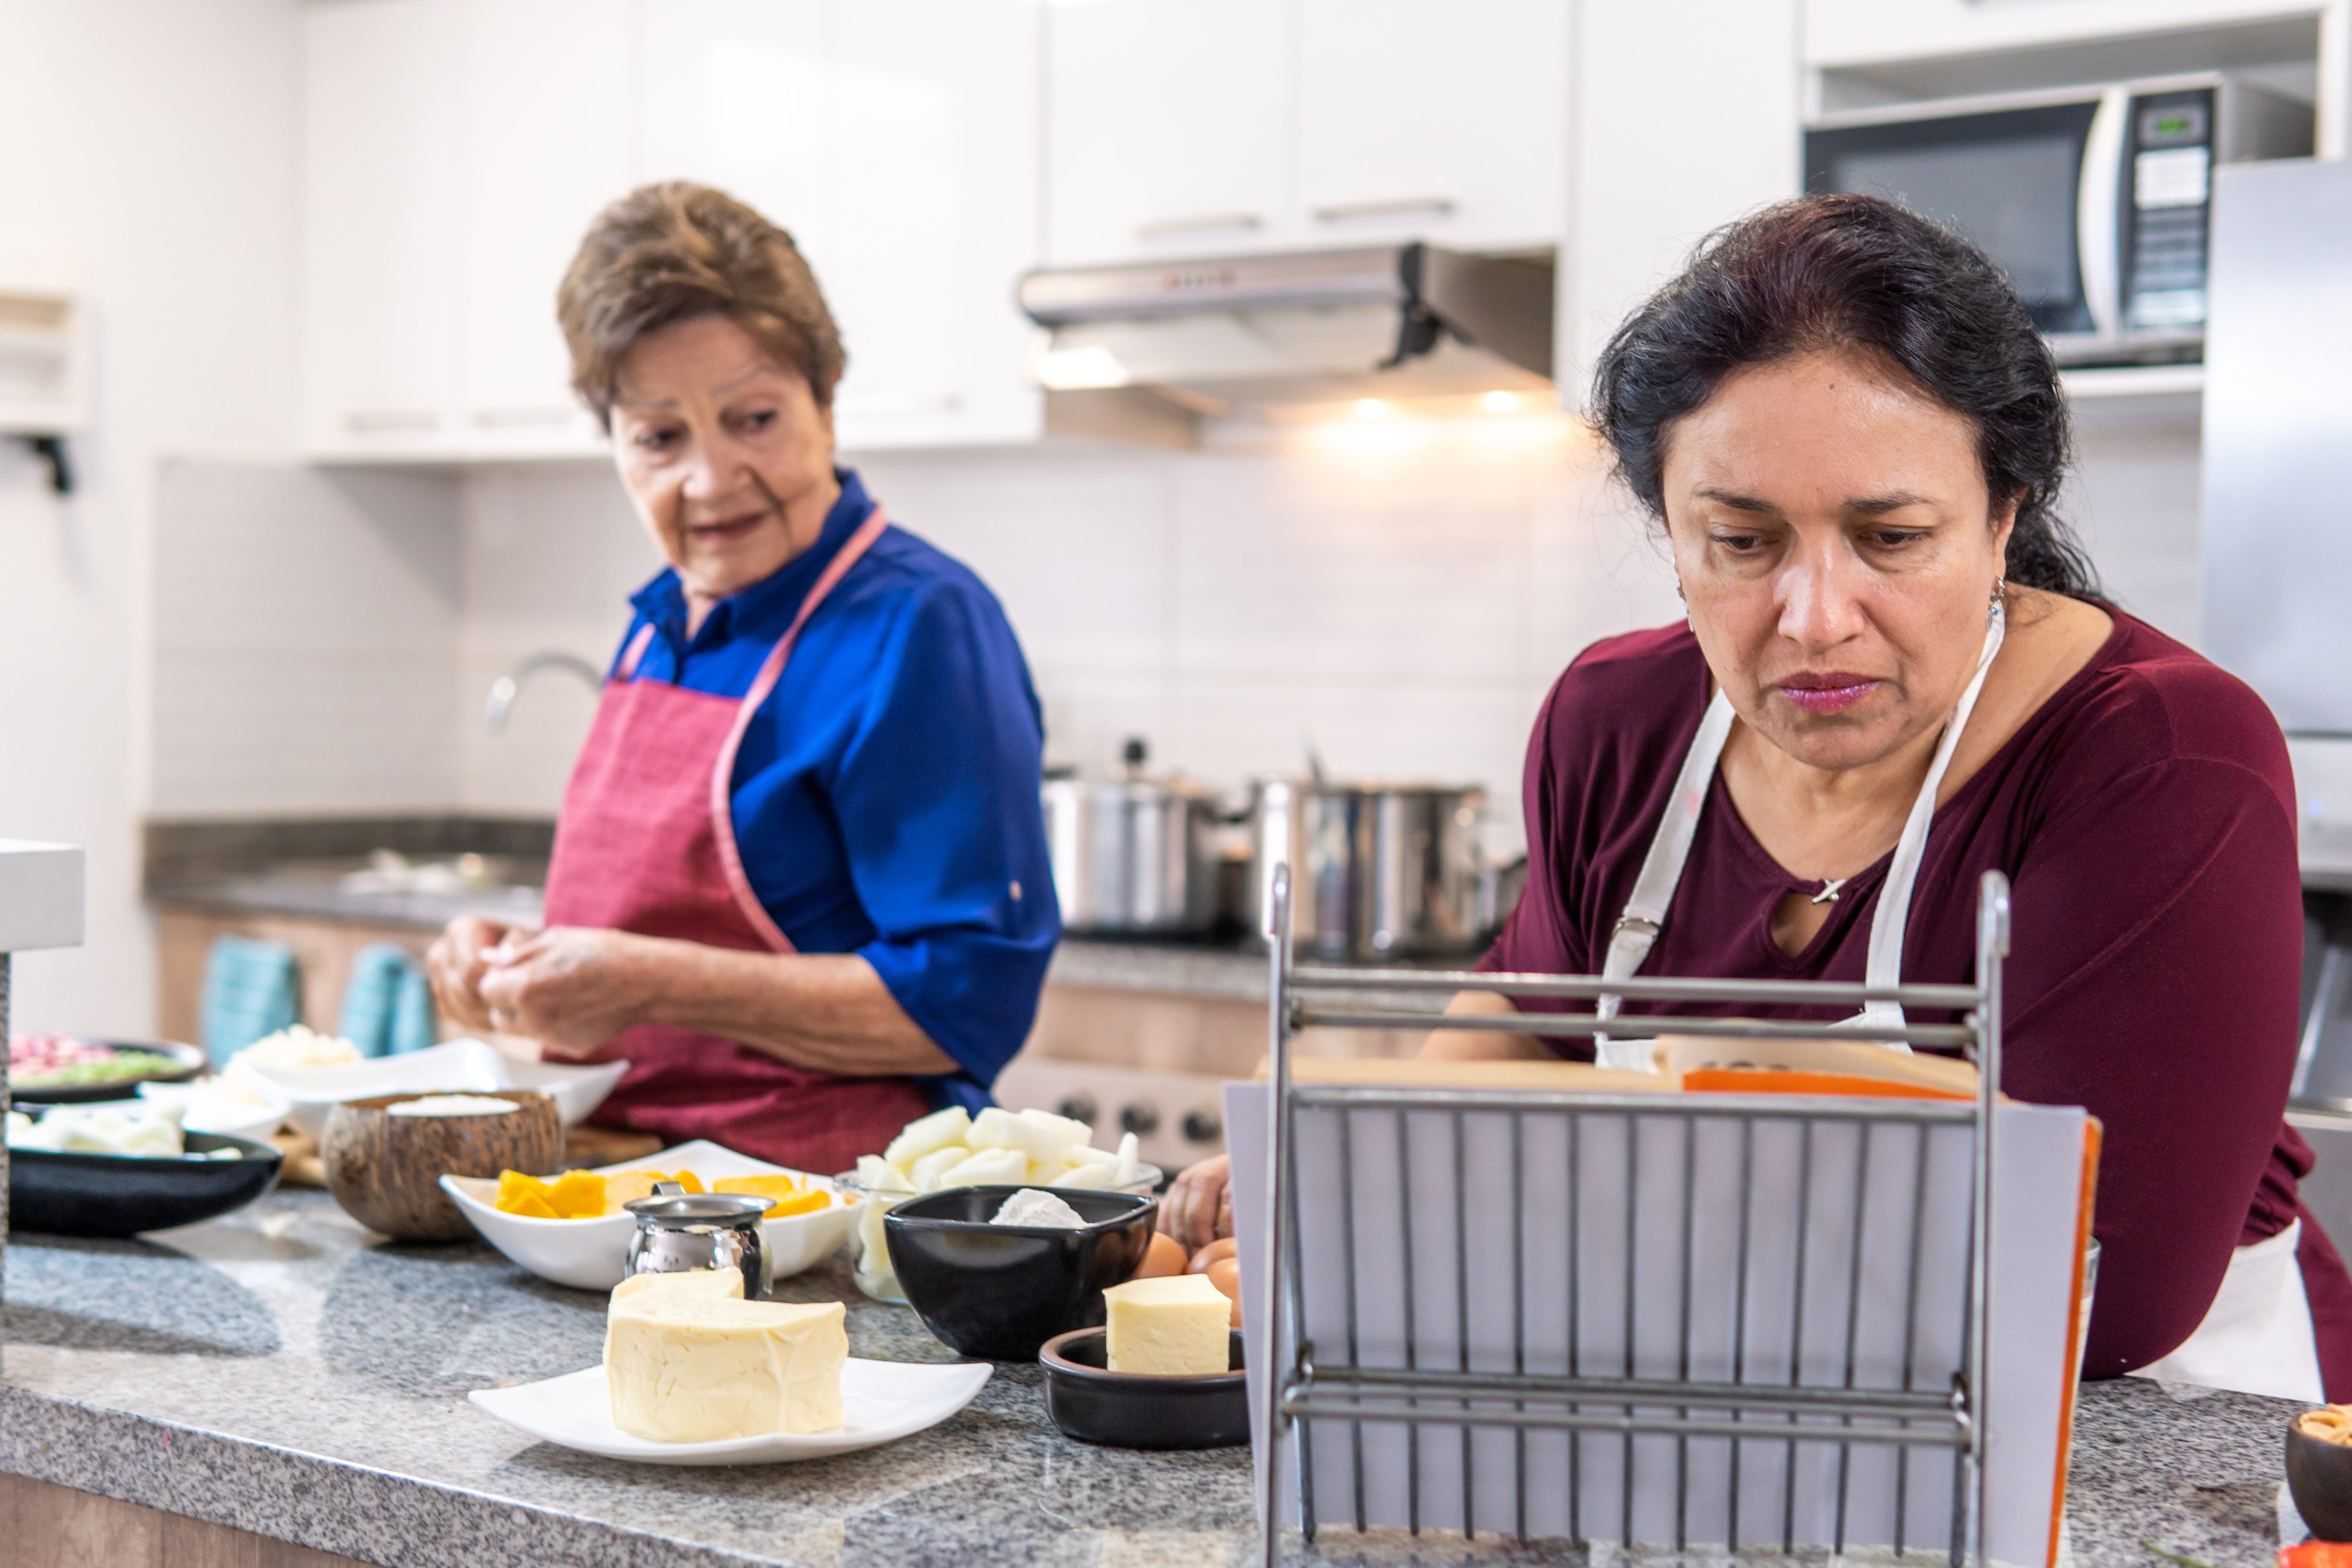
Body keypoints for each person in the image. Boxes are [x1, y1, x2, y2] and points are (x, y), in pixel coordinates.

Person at [1163, 195, 2349, 1403]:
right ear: (1668, 532)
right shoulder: (1614, 721)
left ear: (2001, 519)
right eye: (1740, 539)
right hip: (1723, 1430)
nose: (1815, 615)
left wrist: (1477, 1248)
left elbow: (2096, 1292)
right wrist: (1326, 1176)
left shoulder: (2158, 760)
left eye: (1889, 538)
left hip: (2157, 1458)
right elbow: (1512, 1038)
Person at [426, 183, 1058, 1176]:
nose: (712, 481)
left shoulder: (919, 625)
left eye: (753, 417)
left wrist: (651, 982)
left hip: (815, 1214)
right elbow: (640, 933)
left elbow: (967, 1002)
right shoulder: (661, 623)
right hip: (620, 1190)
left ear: (828, 400)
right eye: (660, 437)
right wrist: (511, 964)